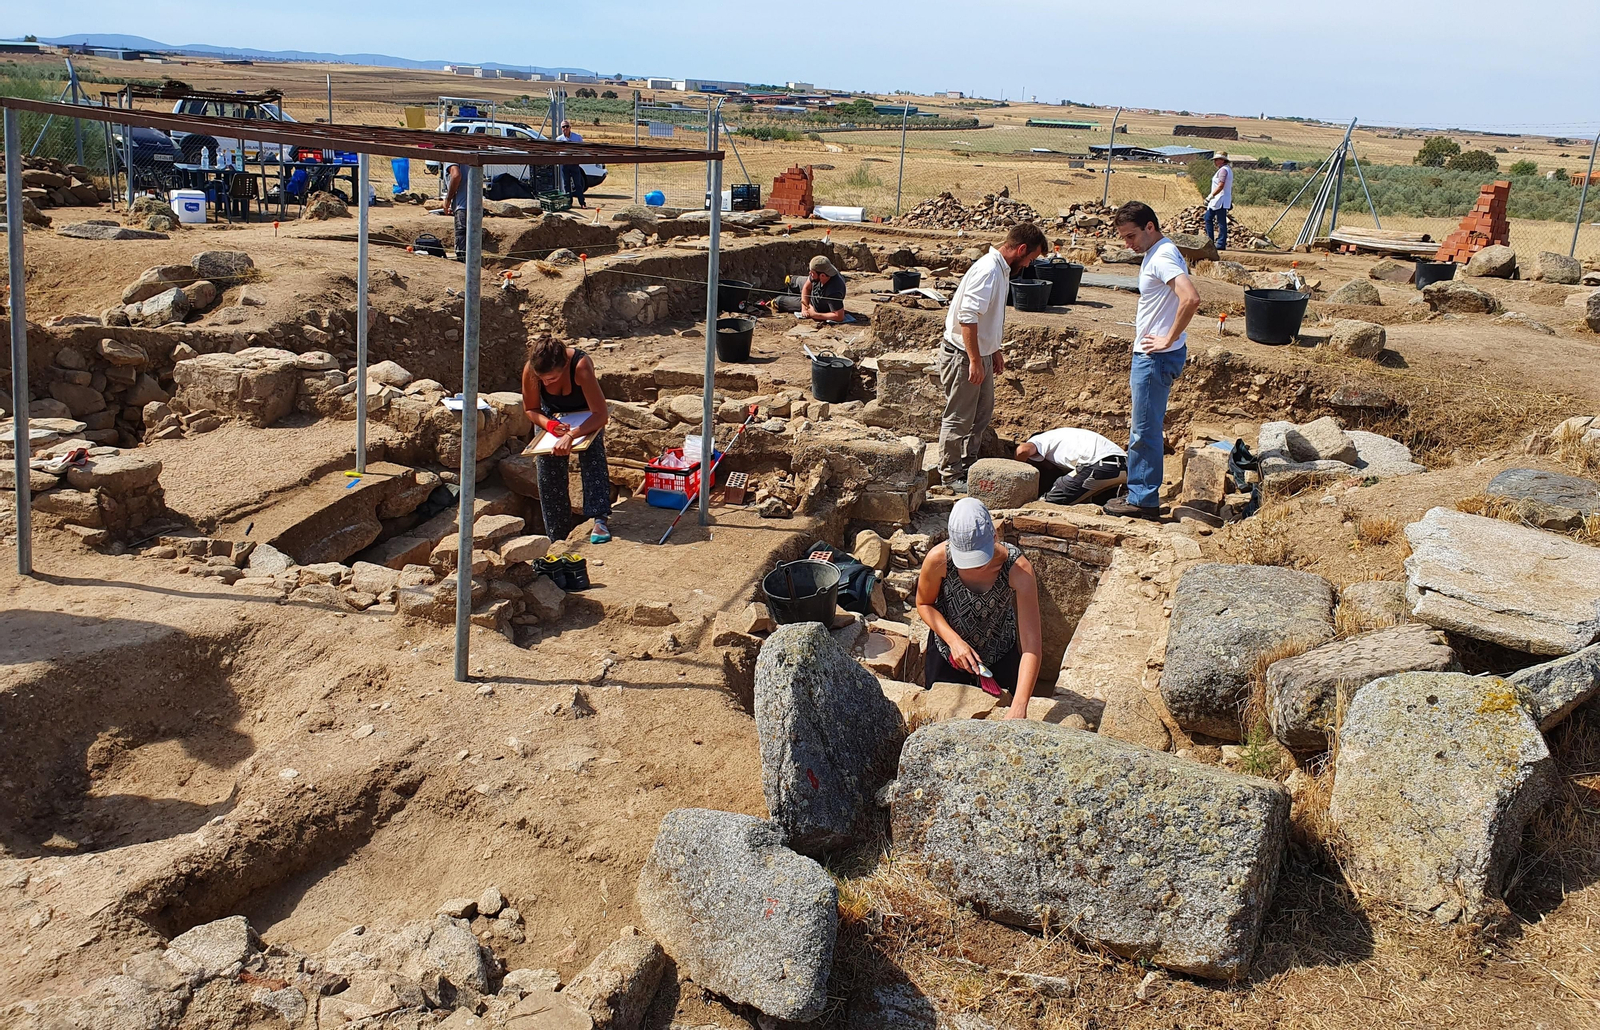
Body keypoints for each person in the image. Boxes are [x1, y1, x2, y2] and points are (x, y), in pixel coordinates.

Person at [1104, 201, 1199, 520]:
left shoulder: (1162, 256)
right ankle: (1141, 492)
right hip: (1155, 354)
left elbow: (1191, 298)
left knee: (1143, 430)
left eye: (1131, 236)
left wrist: (1168, 338)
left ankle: (1143, 500)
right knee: (1145, 426)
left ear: (1150, 227)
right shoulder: (1159, 251)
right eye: (1123, 238)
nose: (1127, 244)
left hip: (1155, 357)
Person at [938, 222, 1048, 490]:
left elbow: (987, 317)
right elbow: (967, 317)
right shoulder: (988, 270)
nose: (1028, 265)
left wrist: (994, 349)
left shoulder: (1001, 270)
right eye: (1030, 258)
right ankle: (950, 475)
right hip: (964, 355)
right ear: (1021, 249)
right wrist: (975, 360)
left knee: (980, 416)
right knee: (959, 417)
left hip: (980, 353)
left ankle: (969, 466)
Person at [916, 497, 1042, 719]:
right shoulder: (939, 559)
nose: (973, 567)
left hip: (999, 651)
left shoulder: (1018, 569)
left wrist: (1020, 705)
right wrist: (954, 642)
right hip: (948, 653)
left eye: (979, 559)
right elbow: (924, 603)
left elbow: (1031, 645)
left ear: (994, 536)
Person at [521, 337, 613, 544]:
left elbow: (600, 415)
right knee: (548, 468)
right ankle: (557, 536)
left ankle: (599, 519)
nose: (546, 383)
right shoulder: (531, 370)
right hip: (551, 417)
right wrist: (550, 425)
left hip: (586, 414)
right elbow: (531, 408)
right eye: (542, 379)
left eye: (552, 379)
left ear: (564, 367)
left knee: (592, 454)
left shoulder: (580, 366)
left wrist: (571, 435)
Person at [1015, 427, 1127, 506]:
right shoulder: (1066, 435)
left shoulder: (1040, 439)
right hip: (1126, 467)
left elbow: (1022, 451)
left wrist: (1017, 472)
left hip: (1100, 465)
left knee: (1047, 503)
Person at [800, 254, 848, 322]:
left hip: (815, 305)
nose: (810, 274)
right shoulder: (823, 270)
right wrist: (804, 308)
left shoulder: (833, 290)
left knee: (783, 301)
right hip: (812, 298)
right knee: (792, 282)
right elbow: (806, 288)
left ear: (822, 275)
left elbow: (839, 316)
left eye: (812, 273)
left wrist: (815, 315)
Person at [1204, 152, 1233, 251]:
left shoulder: (1223, 170)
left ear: (1223, 160)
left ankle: (1219, 243)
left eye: (1217, 160)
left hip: (1219, 199)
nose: (1215, 162)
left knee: (1220, 221)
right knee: (1209, 218)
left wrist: (1210, 196)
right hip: (1219, 200)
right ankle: (1211, 241)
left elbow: (1221, 185)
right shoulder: (1226, 169)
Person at [556, 120, 588, 208]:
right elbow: (557, 152)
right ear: (561, 129)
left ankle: (582, 203)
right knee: (566, 184)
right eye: (563, 127)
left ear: (570, 127)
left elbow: (582, 149)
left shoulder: (577, 137)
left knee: (578, 183)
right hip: (564, 164)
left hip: (574, 163)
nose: (565, 128)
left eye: (567, 126)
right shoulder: (559, 139)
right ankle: (569, 203)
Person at [443, 162, 470, 262]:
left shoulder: (450, 157)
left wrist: (448, 199)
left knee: (462, 251)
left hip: (462, 208)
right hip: (475, 206)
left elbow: (456, 175)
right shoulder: (468, 154)